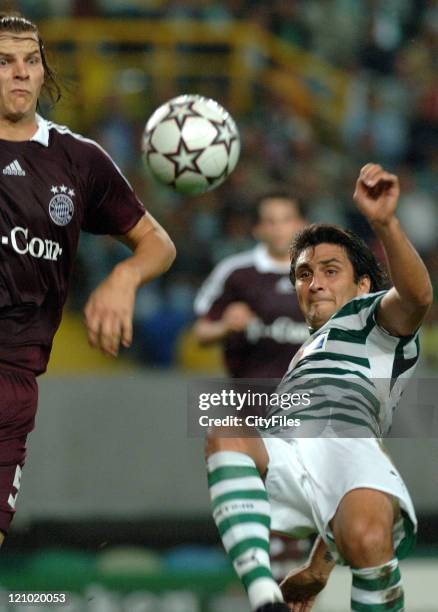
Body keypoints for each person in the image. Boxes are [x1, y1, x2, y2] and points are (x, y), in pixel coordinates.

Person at [205, 164, 433, 612]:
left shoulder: (373, 319)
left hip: (353, 450)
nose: (315, 283)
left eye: (330, 270)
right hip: (292, 451)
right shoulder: (305, 354)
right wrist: (318, 568)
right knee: (222, 425)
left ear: (363, 284)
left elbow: (417, 298)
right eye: (304, 274)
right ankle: (265, 596)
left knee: (367, 538)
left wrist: (384, 223)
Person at [0, 13, 176, 542]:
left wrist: (124, 278)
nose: (21, 73)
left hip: (14, 379)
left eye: (32, 61)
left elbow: (158, 244)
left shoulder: (78, 161)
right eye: (5, 61)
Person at [193, 193, 309, 378]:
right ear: (257, 228)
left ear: (303, 225)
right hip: (253, 398)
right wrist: (226, 326)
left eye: (286, 220)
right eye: (270, 221)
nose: (278, 228)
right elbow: (201, 332)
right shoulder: (235, 272)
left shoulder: (324, 273)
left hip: (311, 398)